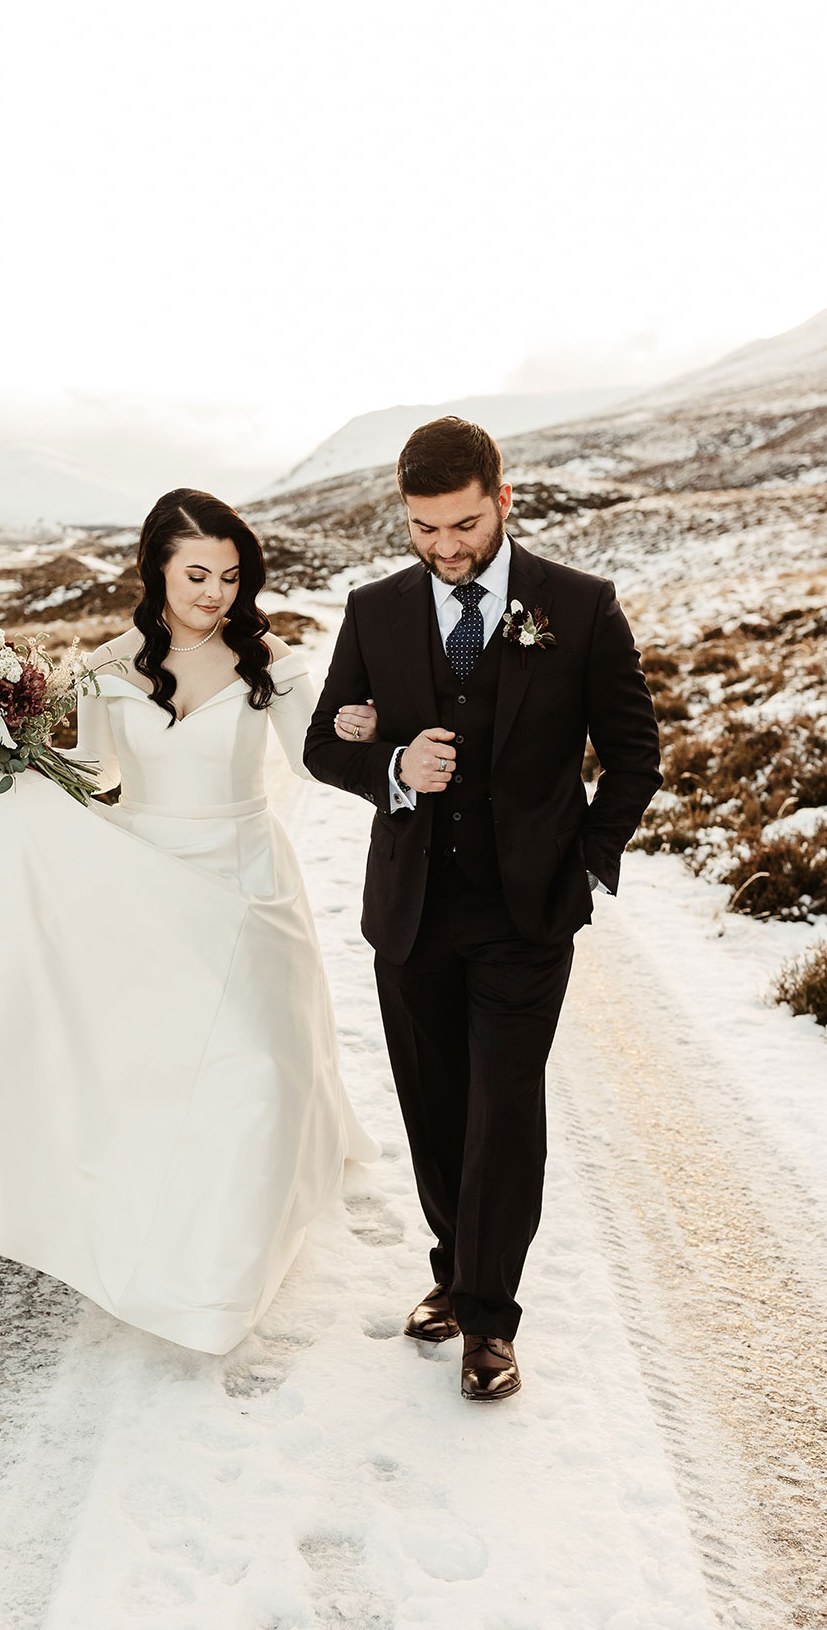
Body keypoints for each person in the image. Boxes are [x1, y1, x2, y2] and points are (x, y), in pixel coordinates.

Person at [0, 487, 377, 1356]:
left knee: (259, 1066)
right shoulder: (104, 670)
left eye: (231, 576)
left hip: (247, 879)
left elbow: (314, 759)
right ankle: (174, 1236)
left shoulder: (269, 662)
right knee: (159, 1068)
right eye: (198, 573)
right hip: (151, 878)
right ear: (157, 571)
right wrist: (16, 763)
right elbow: (94, 780)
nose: (216, 593)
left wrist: (358, 728)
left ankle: (226, 1262)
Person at [305, 417, 661, 1401]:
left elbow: (636, 757)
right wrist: (392, 768)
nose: (446, 547)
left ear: (503, 501)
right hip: (413, 913)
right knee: (436, 1108)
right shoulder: (375, 611)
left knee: (505, 1113)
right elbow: (326, 745)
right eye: (425, 527)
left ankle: (490, 1324)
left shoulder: (579, 608)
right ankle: (452, 1276)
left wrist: (585, 860)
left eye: (463, 524)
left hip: (526, 918)